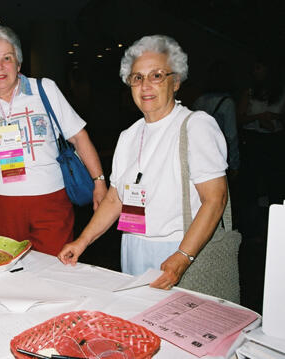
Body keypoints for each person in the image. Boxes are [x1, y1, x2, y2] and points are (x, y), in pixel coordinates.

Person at [58, 35, 228, 290]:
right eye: (137, 77)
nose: (145, 85)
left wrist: (182, 258)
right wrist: (82, 241)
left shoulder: (196, 126)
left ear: (176, 82)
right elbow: (116, 199)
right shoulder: (129, 135)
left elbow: (215, 199)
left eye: (156, 75)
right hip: (133, 245)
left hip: (180, 247)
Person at [0, 25, 107, 256]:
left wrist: (99, 182)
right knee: (9, 267)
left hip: (50, 200)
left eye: (6, 58)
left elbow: (79, 137)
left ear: (18, 63)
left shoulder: (44, 89)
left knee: (56, 266)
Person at [236, 55, 285, 238]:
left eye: (259, 68)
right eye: (254, 68)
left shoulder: (280, 92)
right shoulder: (249, 92)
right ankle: (250, 229)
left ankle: (277, 228)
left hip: (274, 141)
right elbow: (239, 118)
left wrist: (275, 118)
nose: (255, 72)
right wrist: (259, 117)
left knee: (275, 185)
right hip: (253, 141)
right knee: (250, 185)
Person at [191, 60, 240, 178]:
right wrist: (234, 164)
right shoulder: (227, 103)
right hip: (218, 156)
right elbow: (231, 136)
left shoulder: (199, 100)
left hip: (199, 153)